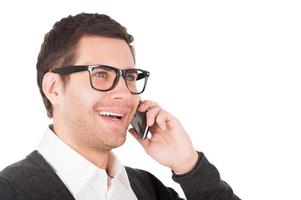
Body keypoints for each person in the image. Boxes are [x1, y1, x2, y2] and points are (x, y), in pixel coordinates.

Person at [0, 13, 240, 200]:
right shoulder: (9, 191)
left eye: (130, 76)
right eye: (102, 74)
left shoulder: (149, 190)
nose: (125, 92)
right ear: (54, 88)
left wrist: (189, 166)